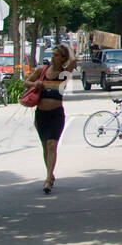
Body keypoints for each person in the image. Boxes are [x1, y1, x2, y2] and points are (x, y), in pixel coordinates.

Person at [27, 44, 77, 193]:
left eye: (56, 54)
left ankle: (48, 180)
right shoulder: (42, 70)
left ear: (62, 58)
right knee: (45, 147)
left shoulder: (64, 73)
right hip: (41, 114)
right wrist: (35, 83)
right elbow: (26, 82)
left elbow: (73, 61)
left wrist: (67, 46)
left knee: (51, 145)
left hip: (56, 114)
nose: (53, 57)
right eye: (53, 54)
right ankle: (51, 173)